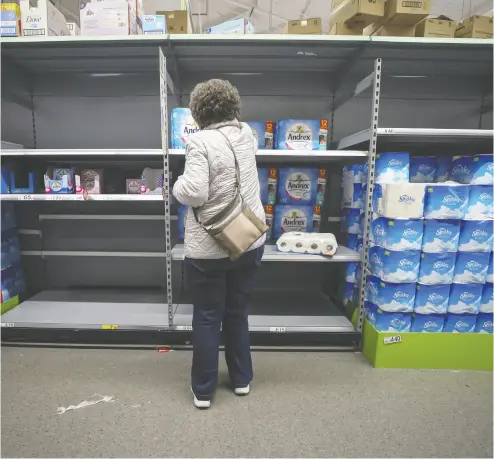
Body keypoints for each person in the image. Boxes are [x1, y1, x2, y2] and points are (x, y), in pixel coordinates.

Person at [172, 79, 266, 409]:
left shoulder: (199, 142)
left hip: (209, 250)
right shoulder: (248, 135)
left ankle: (203, 391)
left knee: (208, 316)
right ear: (233, 106)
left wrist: (175, 186)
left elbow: (194, 191)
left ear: (198, 112)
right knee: (237, 312)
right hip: (248, 240)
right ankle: (241, 380)